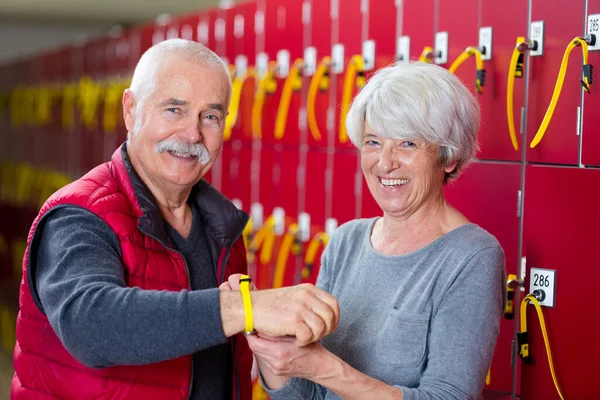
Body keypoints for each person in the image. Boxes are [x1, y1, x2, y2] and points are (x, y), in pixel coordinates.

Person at [11, 39, 339, 400]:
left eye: (210, 116)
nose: (192, 134)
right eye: (174, 109)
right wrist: (246, 307)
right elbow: (92, 327)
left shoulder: (221, 226)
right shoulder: (79, 214)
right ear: (131, 111)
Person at [245, 62, 507, 399]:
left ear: (448, 157)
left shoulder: (471, 257)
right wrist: (271, 347)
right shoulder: (346, 242)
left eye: (408, 144)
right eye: (372, 142)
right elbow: (305, 396)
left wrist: (323, 367)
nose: (385, 163)